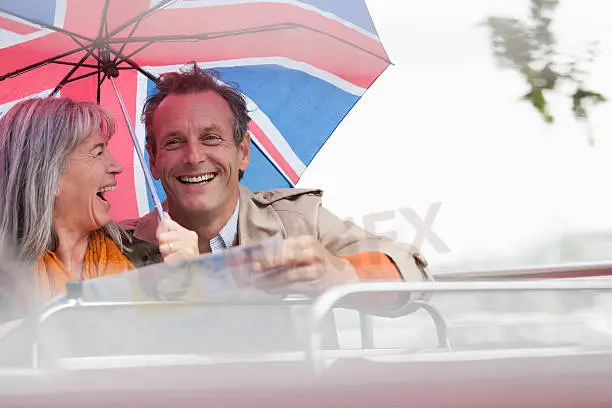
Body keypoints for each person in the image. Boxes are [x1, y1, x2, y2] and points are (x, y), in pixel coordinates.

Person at [121, 63, 432, 315]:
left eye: (211, 138)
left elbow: (410, 272)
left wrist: (340, 274)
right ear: (153, 160)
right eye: (174, 142)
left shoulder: (297, 221)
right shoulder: (119, 248)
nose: (193, 157)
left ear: (243, 151)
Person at [0, 97, 198, 316]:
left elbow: (185, 331)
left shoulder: (149, 261)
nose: (117, 166)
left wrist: (189, 281)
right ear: (49, 175)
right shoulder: (7, 281)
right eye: (98, 153)